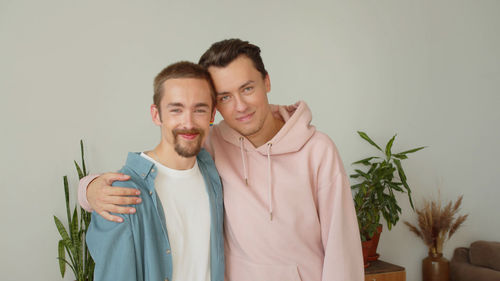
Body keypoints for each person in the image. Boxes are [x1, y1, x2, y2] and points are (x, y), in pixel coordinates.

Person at [80, 39, 364, 281]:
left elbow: (343, 249)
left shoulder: (317, 151)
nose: (240, 106)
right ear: (216, 107)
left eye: (247, 88)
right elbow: (167, 152)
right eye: (225, 97)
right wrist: (89, 190)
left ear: (266, 81)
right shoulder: (211, 142)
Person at [85, 61, 224, 281]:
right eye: (176, 109)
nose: (188, 122)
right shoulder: (120, 196)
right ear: (156, 114)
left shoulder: (213, 173)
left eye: (199, 109)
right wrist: (89, 189)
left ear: (212, 115)